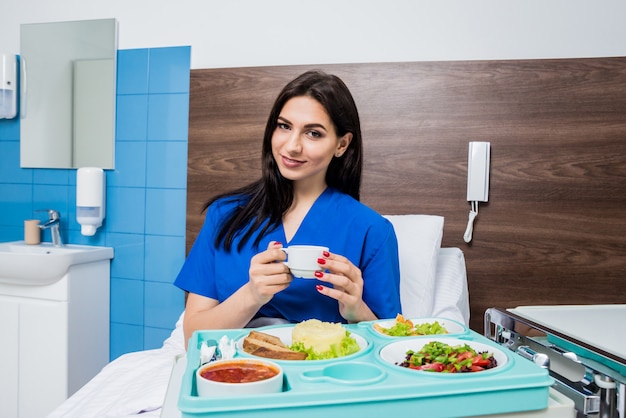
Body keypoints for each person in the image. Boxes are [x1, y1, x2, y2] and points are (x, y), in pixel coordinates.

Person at [174, 70, 401, 345]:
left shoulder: (372, 231)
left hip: (323, 376)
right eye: (284, 126)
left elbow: (391, 346)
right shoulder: (224, 215)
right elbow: (191, 338)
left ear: (342, 144)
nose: (291, 146)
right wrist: (252, 295)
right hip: (235, 373)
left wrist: (357, 311)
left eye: (313, 133)